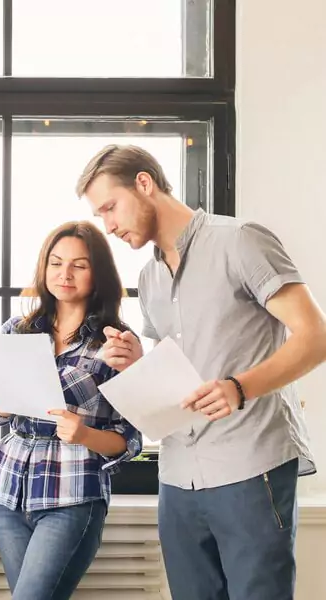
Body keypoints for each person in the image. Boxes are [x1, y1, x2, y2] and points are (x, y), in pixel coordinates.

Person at [77, 144, 326, 600]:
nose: (108, 226)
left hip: (251, 464)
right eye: (100, 215)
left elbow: (315, 337)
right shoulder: (149, 280)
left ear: (145, 184)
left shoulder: (241, 240)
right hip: (177, 476)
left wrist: (239, 387)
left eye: (110, 208)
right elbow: (181, 372)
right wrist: (138, 363)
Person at [0, 221, 143, 600]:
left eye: (79, 265)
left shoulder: (116, 341)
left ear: (97, 273)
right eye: (55, 263)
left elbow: (131, 439)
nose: (64, 274)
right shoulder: (16, 330)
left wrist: (84, 433)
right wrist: (0, 401)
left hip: (72, 494)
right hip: (10, 492)